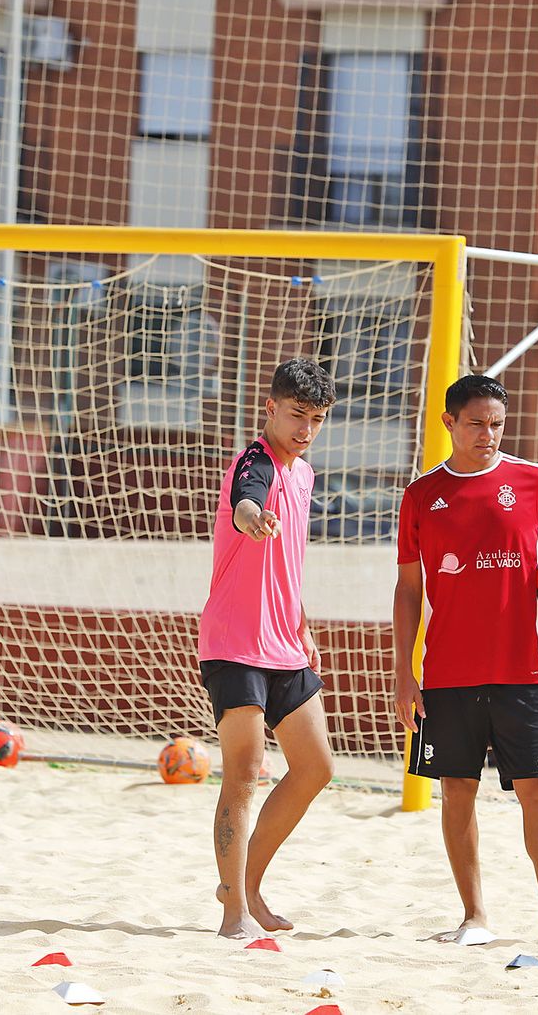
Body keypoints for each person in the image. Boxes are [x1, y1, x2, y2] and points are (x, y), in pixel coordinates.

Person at [392, 374, 538, 952]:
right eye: (476, 423)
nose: (488, 434)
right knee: (457, 792)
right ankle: (474, 916)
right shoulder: (421, 494)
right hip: (447, 674)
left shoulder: (531, 481)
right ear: (449, 422)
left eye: (497, 424)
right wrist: (402, 671)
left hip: (523, 672)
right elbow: (408, 589)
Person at [197, 358, 338, 939]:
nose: (306, 428)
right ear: (270, 408)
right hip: (235, 644)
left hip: (285, 642)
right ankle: (233, 910)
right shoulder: (253, 460)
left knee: (316, 768)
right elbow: (246, 500)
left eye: (318, 418)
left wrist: (302, 624)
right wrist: (251, 517)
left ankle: (245, 883)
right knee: (243, 775)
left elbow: (288, 562)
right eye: (297, 414)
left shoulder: (304, 474)